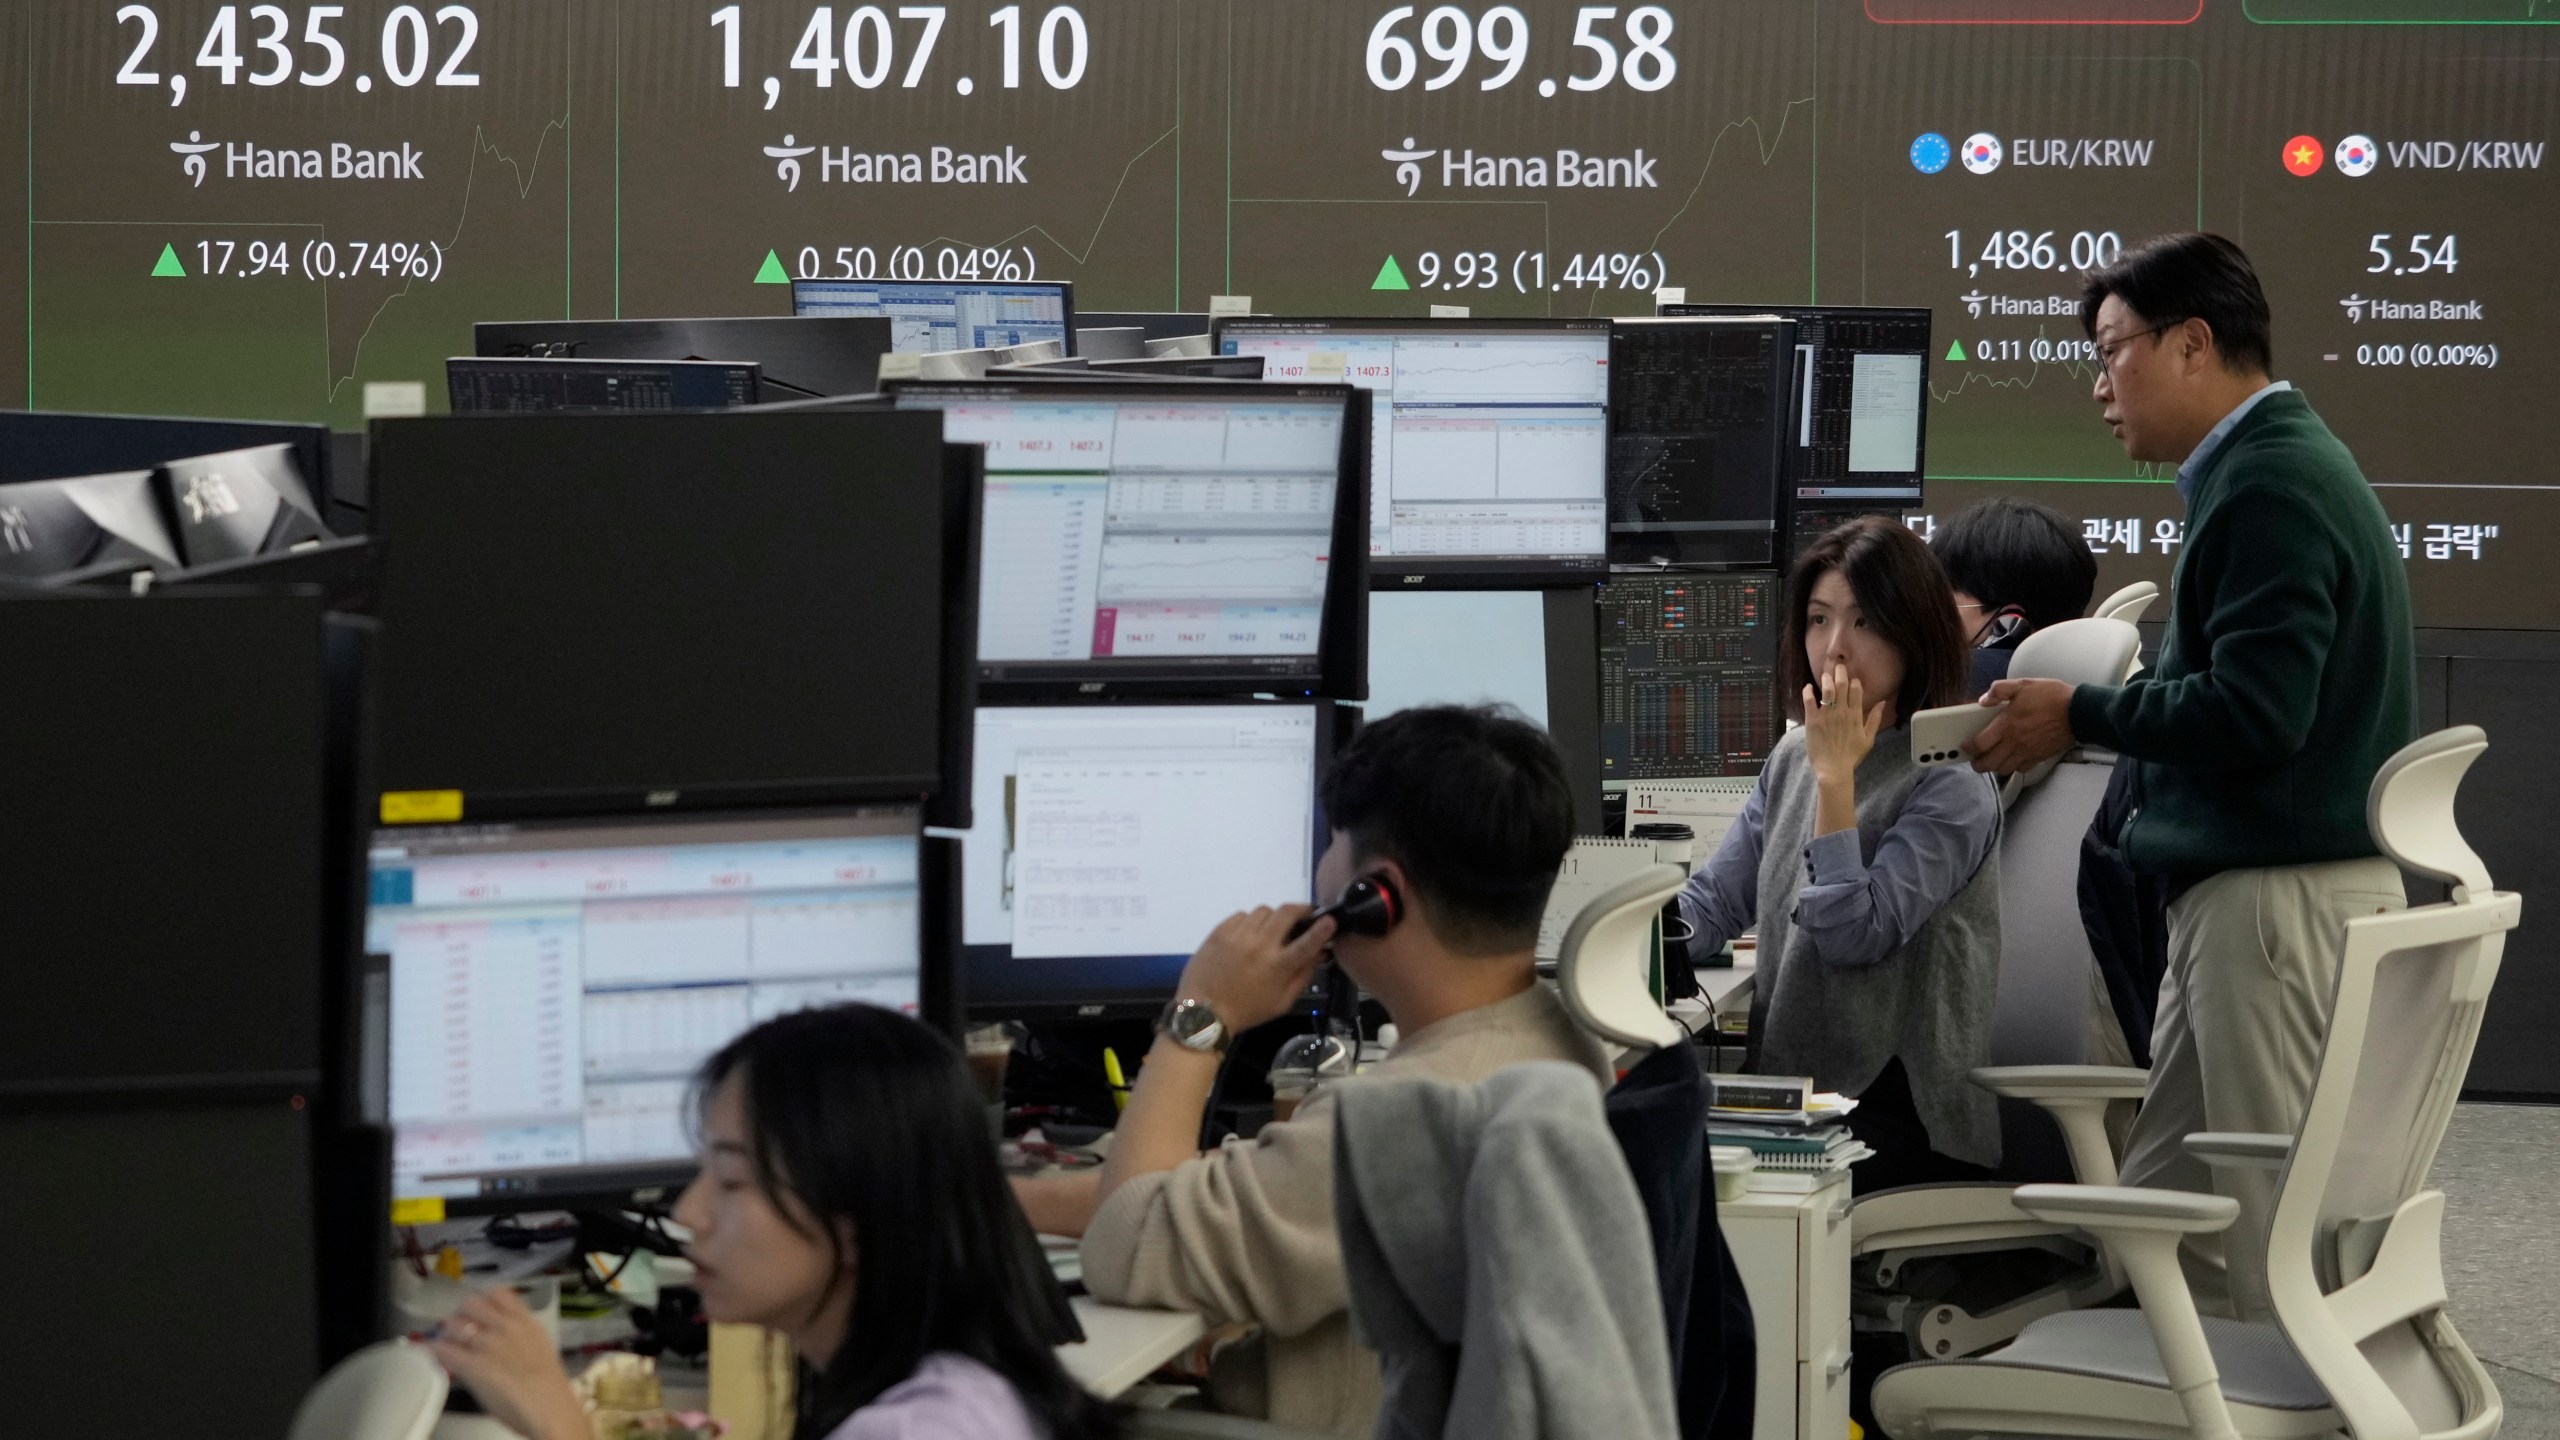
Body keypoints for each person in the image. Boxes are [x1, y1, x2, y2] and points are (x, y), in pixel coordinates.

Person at [1964, 232, 2417, 1322]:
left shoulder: (2269, 485)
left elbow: (2258, 715)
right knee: (2167, 1221)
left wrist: (2081, 711)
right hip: (2250, 903)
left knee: (2260, 1242)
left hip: (2272, 906)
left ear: (2192, 345)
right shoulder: (2263, 469)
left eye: (2114, 349)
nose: (2098, 382)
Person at [1012, 705, 1615, 1437]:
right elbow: (1246, 1188)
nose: (1320, 863)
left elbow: (1124, 1243)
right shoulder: (1551, 1042)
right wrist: (1005, 1201)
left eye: (1332, 841)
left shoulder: (1401, 1117)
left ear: (1378, 895)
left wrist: (1201, 1015)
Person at [431, 1005, 1120, 1440]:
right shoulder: (969, 1385)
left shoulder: (920, 1428)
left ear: (858, 1219)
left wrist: (559, 1426)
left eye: (731, 1180)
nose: (687, 1212)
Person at [1677, 515, 2004, 1195]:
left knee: (1680, 1180)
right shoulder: (1797, 753)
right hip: (1792, 1090)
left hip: (1898, 1111)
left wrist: (1837, 782)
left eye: (1863, 623)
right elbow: (1716, 900)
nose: (1835, 649)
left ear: (1913, 633)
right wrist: (1617, 936)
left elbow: (1854, 936)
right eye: (1819, 620)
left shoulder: (1951, 779)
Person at [1930, 496, 2099, 691]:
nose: (1935, 614)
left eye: (1947, 602)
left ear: (2011, 622)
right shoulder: (2079, 680)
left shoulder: (1957, 688)